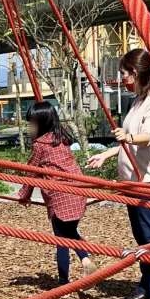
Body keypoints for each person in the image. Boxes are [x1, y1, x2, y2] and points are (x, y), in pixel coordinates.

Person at [88, 48, 150, 299]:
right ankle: (147, 284)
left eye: (124, 74)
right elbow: (128, 138)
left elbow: (148, 135)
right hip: (133, 182)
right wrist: (108, 154)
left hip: (148, 180)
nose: (122, 79)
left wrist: (128, 139)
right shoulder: (138, 99)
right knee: (142, 237)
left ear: (135, 74)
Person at [17, 102, 94, 285]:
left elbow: (31, 172)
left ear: (42, 123)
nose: (30, 128)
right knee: (70, 232)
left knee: (61, 239)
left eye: (32, 124)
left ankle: (64, 280)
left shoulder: (40, 145)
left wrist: (24, 195)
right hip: (78, 190)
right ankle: (85, 259)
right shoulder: (61, 138)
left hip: (60, 196)